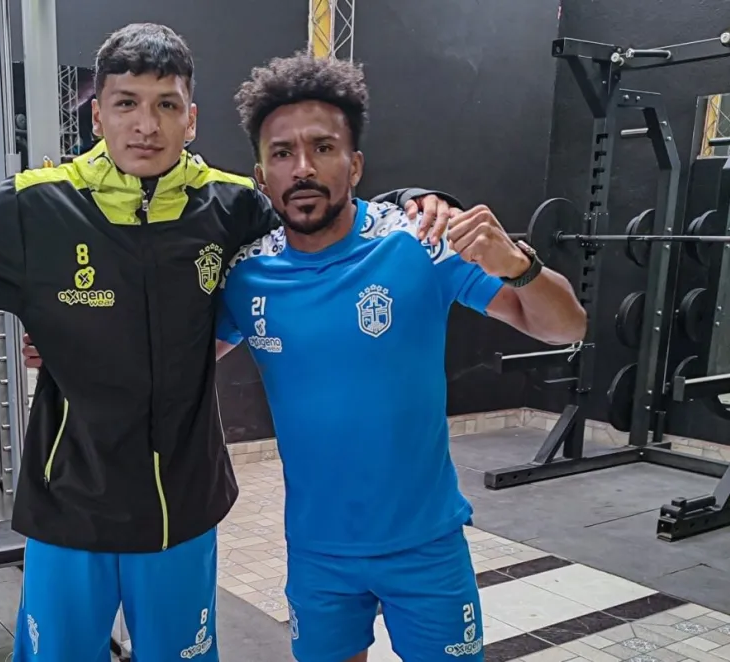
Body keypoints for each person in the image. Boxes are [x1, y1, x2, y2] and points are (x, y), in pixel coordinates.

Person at [0, 24, 456, 662]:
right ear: (97, 117)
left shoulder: (231, 207)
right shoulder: (36, 207)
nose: (146, 125)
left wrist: (412, 198)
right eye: (126, 104)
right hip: (70, 505)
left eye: (165, 105)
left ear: (191, 119)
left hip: (182, 505)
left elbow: (321, 221)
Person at [216, 55, 586, 662]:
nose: (302, 168)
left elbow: (564, 324)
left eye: (323, 148)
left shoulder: (420, 243)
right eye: (282, 153)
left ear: (354, 164)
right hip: (317, 551)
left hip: (426, 546)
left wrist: (520, 267)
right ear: (262, 176)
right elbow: (182, 364)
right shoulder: (248, 275)